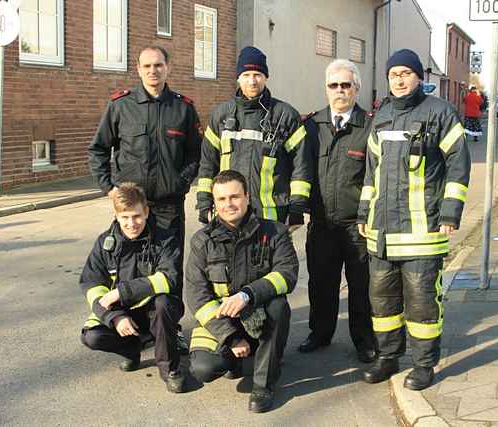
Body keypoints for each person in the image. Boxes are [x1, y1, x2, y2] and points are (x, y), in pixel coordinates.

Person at [357, 49, 471, 390]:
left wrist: (451, 211)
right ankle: (388, 357)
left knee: (422, 304)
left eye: (406, 73)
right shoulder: (382, 115)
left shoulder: (439, 112)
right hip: (382, 234)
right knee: (383, 302)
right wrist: (364, 212)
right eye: (394, 75)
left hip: (423, 231)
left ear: (419, 77)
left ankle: (423, 365)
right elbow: (371, 173)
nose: (400, 79)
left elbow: (458, 164)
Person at [185, 170, 298, 413]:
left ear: (247, 196)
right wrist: (230, 337)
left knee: (278, 305)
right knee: (203, 369)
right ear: (214, 203)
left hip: (258, 318)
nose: (229, 204)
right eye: (222, 199)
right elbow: (197, 296)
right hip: (221, 320)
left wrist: (247, 294)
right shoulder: (201, 241)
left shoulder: (274, 232)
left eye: (235, 196)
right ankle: (233, 358)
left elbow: (287, 275)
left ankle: (263, 384)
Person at [88, 46, 202, 272]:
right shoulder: (120, 106)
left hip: (169, 205)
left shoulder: (183, 108)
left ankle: (168, 309)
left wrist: (181, 181)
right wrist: (109, 188)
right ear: (138, 69)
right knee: (130, 267)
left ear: (168, 68)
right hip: (132, 207)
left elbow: (196, 153)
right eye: (147, 66)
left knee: (170, 269)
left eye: (158, 65)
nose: (153, 70)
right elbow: (98, 149)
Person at [297, 59, 376, 363]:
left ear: (356, 88)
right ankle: (320, 333)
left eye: (346, 85)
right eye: (334, 85)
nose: (340, 90)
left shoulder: (370, 125)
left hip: (358, 226)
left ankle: (364, 341)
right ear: (326, 89)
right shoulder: (311, 125)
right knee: (321, 284)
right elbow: (300, 170)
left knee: (361, 287)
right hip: (321, 223)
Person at [79, 183, 186, 393]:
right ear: (116, 216)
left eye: (137, 216)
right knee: (91, 336)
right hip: (123, 313)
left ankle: (170, 370)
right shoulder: (105, 243)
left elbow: (169, 278)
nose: (131, 224)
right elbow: (91, 285)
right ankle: (131, 349)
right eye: (125, 217)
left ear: (146, 211)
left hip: (155, 312)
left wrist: (121, 292)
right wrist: (115, 317)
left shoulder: (165, 239)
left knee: (164, 303)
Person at [195, 46, 312, 233]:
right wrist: (204, 202)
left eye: (257, 74)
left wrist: (297, 208)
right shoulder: (222, 115)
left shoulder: (285, 116)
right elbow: (208, 163)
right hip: (229, 216)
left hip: (272, 219)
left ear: (266, 77)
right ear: (238, 77)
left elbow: (301, 167)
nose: (252, 81)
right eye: (246, 74)